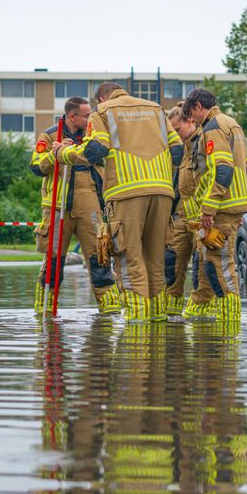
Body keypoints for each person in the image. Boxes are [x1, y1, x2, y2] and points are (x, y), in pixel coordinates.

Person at [58, 82, 184, 323]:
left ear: (101, 99)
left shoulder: (103, 112)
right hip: (162, 192)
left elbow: (96, 150)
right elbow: (177, 150)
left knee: (129, 259)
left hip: (126, 193)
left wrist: (63, 154)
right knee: (156, 261)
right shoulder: (156, 109)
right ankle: (158, 320)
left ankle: (137, 325)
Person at [30, 97, 120, 315]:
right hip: (58, 206)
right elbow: (35, 166)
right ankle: (44, 311)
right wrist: (55, 154)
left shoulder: (94, 135)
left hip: (91, 203)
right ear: (72, 116)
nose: (91, 118)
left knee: (100, 258)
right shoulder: (50, 135)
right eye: (86, 115)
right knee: (53, 263)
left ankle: (110, 312)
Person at [181, 88, 247, 322]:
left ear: (199, 106)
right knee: (208, 263)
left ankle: (229, 319)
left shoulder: (213, 128)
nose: (193, 121)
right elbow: (246, 168)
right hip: (231, 203)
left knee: (220, 264)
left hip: (221, 206)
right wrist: (241, 204)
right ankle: (202, 311)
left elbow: (221, 169)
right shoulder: (233, 124)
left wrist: (209, 210)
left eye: (192, 115)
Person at [164, 103, 202, 316]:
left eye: (177, 130)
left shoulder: (202, 144)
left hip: (200, 217)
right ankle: (171, 316)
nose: (175, 136)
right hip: (179, 216)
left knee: (201, 269)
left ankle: (203, 319)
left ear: (191, 122)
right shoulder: (178, 151)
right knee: (171, 266)